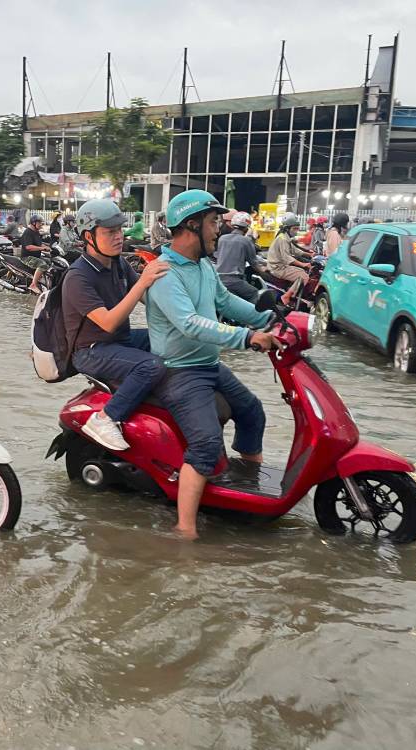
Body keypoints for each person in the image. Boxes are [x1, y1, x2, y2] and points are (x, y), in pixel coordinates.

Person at [145, 190, 281, 540]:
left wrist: (267, 318)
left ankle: (248, 491)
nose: (218, 230)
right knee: (205, 445)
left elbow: (226, 301)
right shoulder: (164, 273)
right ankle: (184, 530)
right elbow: (189, 323)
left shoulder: (203, 265)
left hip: (208, 364)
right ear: (192, 225)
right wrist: (246, 337)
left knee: (252, 411)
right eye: (213, 223)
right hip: (179, 370)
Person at [62, 199, 169, 451]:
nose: (119, 237)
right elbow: (108, 322)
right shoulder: (77, 277)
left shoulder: (118, 264)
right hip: (91, 350)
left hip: (119, 340)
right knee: (151, 366)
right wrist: (142, 282)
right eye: (110, 232)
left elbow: (146, 298)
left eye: (120, 230)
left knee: (166, 338)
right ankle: (105, 418)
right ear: (89, 236)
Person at [214, 211, 266, 302]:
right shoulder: (245, 241)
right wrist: (265, 272)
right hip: (234, 281)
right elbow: (254, 264)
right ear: (247, 228)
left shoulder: (222, 238)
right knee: (255, 294)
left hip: (219, 280)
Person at [266, 213, 311, 285]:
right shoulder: (283, 239)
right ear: (287, 228)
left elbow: (295, 250)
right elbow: (286, 257)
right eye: (294, 229)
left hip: (281, 266)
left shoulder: (286, 237)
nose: (296, 231)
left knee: (303, 271)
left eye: (297, 228)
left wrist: (309, 254)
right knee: (304, 277)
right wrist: (303, 264)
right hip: (278, 269)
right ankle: (287, 296)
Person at [21, 215, 49, 294]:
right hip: (27, 257)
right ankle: (33, 285)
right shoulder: (28, 232)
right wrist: (42, 248)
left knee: (50, 261)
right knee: (42, 264)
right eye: (39, 223)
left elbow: (39, 244)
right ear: (34, 223)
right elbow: (28, 247)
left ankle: (43, 282)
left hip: (36, 256)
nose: (41, 225)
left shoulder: (36, 232)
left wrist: (48, 248)